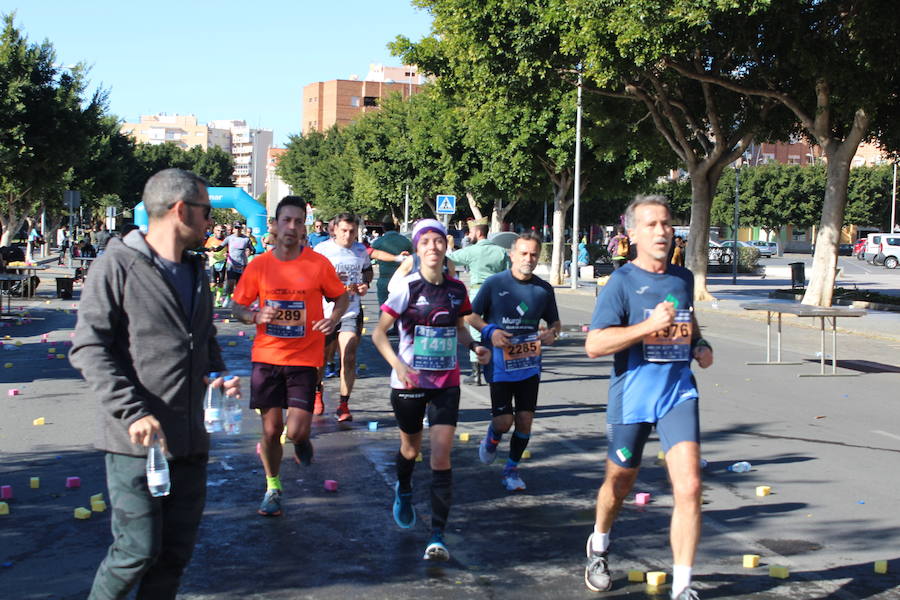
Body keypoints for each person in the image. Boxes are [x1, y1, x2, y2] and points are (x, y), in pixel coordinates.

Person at [70, 168, 241, 600]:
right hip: (135, 443)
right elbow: (88, 347)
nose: (210, 223)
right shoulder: (117, 265)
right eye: (205, 212)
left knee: (174, 555)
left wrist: (217, 378)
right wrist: (133, 412)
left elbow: (203, 340)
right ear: (181, 210)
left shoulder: (196, 271)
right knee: (135, 551)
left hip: (190, 441)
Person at [583, 195, 713, 599]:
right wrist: (647, 326)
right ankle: (599, 545)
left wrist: (699, 343)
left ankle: (683, 586)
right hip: (633, 396)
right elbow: (594, 345)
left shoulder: (682, 278)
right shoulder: (620, 282)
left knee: (690, 486)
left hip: (677, 392)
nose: (661, 231)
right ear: (633, 233)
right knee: (619, 483)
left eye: (666, 223)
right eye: (652, 224)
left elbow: (687, 321)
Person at [372, 218, 489, 562]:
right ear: (418, 249)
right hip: (409, 382)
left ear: (446, 246)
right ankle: (404, 488)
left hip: (445, 382)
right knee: (410, 449)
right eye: (426, 243)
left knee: (441, 455)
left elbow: (461, 329)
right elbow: (379, 333)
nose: (433, 248)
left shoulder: (456, 290)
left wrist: (474, 349)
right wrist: (397, 365)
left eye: (438, 242)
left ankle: (438, 535)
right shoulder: (407, 287)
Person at [230, 196, 349, 517]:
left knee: (295, 430)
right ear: (275, 224)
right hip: (266, 357)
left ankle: (301, 441)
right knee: (270, 431)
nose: (292, 227)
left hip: (304, 359)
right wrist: (253, 316)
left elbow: (341, 297)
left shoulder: (317, 264)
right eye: (286, 221)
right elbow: (237, 306)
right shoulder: (259, 265)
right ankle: (272, 486)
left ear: (304, 227)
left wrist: (334, 318)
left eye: (298, 221)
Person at [465, 232, 561, 491]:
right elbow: (471, 316)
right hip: (499, 363)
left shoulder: (543, 289)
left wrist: (552, 333)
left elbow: (555, 323)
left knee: (526, 419)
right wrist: (490, 332)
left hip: (529, 362)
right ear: (512, 255)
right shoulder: (494, 284)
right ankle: (493, 436)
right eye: (523, 253)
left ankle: (511, 469)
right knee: (504, 421)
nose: (528, 259)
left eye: (533, 254)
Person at [313, 213, 373, 421]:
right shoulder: (322, 250)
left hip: (351, 310)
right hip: (325, 312)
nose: (348, 236)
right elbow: (311, 278)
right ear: (334, 230)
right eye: (344, 231)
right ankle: (317, 393)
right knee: (319, 359)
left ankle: (344, 404)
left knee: (348, 356)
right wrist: (330, 281)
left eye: (352, 232)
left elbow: (367, 271)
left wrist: (365, 284)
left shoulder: (360, 250)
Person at [447, 218, 510, 383]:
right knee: (495, 328)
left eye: (471, 232)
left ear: (478, 232)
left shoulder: (472, 251)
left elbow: (449, 259)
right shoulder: (501, 251)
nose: (469, 235)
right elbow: (509, 274)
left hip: (477, 292)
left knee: (475, 330)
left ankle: (476, 374)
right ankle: (497, 368)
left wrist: (449, 245)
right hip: (498, 293)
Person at [370, 219, 413, 308]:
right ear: (395, 227)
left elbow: (370, 254)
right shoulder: (406, 241)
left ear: (383, 228)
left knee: (384, 308)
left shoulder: (378, 242)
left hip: (384, 279)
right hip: (402, 280)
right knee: (402, 309)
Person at [219, 222, 255, 307]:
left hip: (242, 264)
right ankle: (228, 298)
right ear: (233, 229)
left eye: (239, 228)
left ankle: (238, 301)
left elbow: (252, 249)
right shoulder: (229, 238)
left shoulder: (246, 239)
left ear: (241, 229)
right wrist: (214, 249)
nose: (237, 229)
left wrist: (251, 251)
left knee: (240, 284)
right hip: (231, 263)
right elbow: (221, 246)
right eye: (236, 228)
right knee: (230, 282)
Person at [205, 225, 228, 305]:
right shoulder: (211, 239)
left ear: (224, 231)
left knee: (221, 283)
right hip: (213, 262)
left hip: (222, 262)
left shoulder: (226, 240)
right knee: (213, 283)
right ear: (214, 231)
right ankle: (209, 299)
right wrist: (209, 253)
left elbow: (229, 250)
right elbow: (206, 249)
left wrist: (227, 254)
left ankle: (217, 301)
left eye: (221, 231)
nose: (220, 232)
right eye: (218, 230)